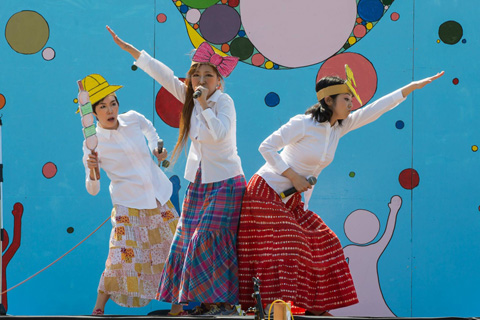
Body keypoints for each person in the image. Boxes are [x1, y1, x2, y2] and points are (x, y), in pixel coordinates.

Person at [236, 69, 444, 315]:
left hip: (290, 199)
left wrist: (409, 88)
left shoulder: (337, 129)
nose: (351, 103)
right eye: (346, 98)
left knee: (326, 241)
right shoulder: (303, 123)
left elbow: (373, 111)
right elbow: (266, 147)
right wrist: (293, 176)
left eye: (350, 99)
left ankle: (315, 308)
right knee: (289, 245)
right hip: (265, 191)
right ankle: (271, 308)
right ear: (328, 100)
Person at [106, 26, 247, 316]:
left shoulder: (223, 102)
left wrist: (205, 104)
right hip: (199, 181)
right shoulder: (188, 98)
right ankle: (206, 302)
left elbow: (219, 135)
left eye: (208, 75)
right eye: (197, 75)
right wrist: (130, 49)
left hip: (226, 181)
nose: (201, 80)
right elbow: (162, 73)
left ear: (219, 82)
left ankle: (225, 302)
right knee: (185, 241)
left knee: (206, 239)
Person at [81, 74, 179, 315]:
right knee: (120, 254)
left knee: (173, 250)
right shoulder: (92, 143)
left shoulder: (133, 118)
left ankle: (178, 306)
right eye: (102, 106)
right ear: (93, 113)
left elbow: (151, 130)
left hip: (158, 197)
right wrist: (93, 169)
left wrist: (158, 148)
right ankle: (99, 307)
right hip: (127, 204)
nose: (109, 109)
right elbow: (92, 189)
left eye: (112, 103)